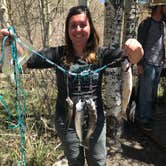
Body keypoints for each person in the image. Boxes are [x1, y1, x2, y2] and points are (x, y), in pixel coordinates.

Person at [0, 5, 143, 166]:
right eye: (73, 25)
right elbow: (28, 59)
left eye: (83, 24)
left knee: (98, 161)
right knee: (75, 162)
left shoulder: (102, 54)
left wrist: (136, 48)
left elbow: (133, 58)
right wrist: (13, 42)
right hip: (66, 121)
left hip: (95, 121)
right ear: (68, 30)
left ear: (90, 28)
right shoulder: (58, 54)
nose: (78, 29)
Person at [137, 3, 166, 131]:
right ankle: (143, 119)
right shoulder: (145, 24)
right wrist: (139, 63)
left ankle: (149, 117)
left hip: (158, 64)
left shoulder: (163, 24)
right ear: (160, 7)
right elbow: (138, 45)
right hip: (147, 63)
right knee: (145, 93)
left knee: (153, 93)